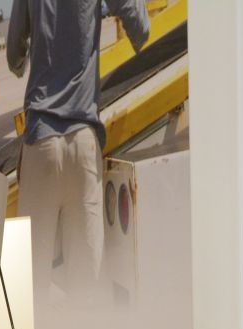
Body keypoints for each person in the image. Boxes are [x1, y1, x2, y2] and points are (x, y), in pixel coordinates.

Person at [8, 0, 149, 282]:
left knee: (32, 289)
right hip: (83, 141)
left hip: (41, 143)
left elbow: (13, 56)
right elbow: (141, 28)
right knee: (85, 292)